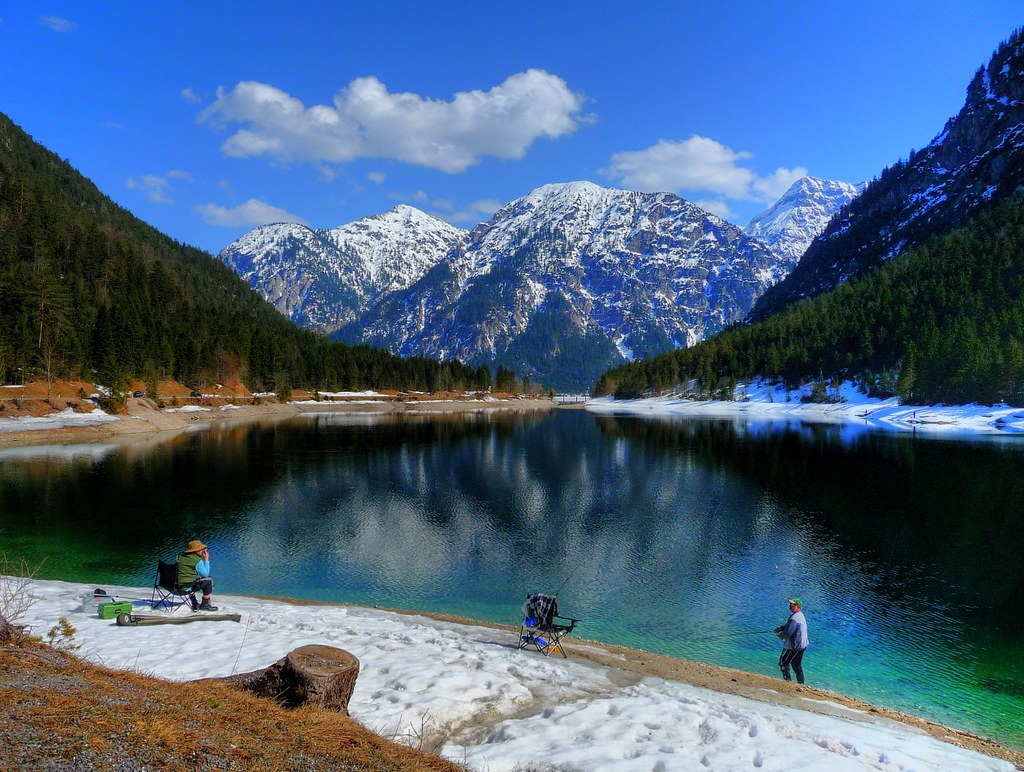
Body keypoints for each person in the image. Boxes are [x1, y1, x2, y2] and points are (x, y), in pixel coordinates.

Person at [175, 539, 218, 611]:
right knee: (209, 580)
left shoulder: (180, 556)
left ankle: (194, 604)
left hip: (175, 586)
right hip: (186, 587)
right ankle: (205, 605)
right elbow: (205, 574)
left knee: (189, 579)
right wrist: (206, 560)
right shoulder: (197, 560)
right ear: (196, 551)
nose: (204, 551)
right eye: (202, 549)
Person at [774, 597, 809, 684]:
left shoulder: (794, 618)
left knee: (783, 663)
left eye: (792, 604)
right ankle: (801, 683)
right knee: (796, 665)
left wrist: (780, 636)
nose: (790, 605)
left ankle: (788, 682)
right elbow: (790, 627)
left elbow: (788, 633)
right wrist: (782, 628)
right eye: (790, 604)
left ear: (797, 606)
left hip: (794, 646)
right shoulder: (799, 615)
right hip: (802, 645)